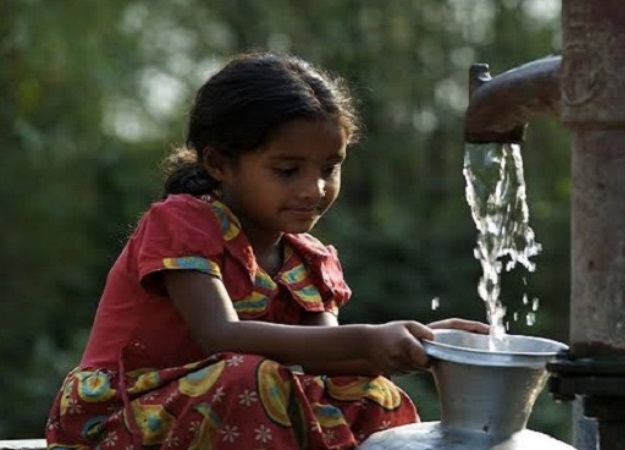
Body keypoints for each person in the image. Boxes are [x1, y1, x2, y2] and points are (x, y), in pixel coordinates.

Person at [45, 51, 488, 450]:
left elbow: (326, 357)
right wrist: (370, 336)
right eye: (287, 170)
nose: (314, 190)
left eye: (330, 169)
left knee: (371, 390)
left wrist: (426, 344)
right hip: (123, 419)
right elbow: (220, 336)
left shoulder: (309, 259)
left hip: (237, 413)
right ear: (219, 163)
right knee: (250, 376)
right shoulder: (182, 222)